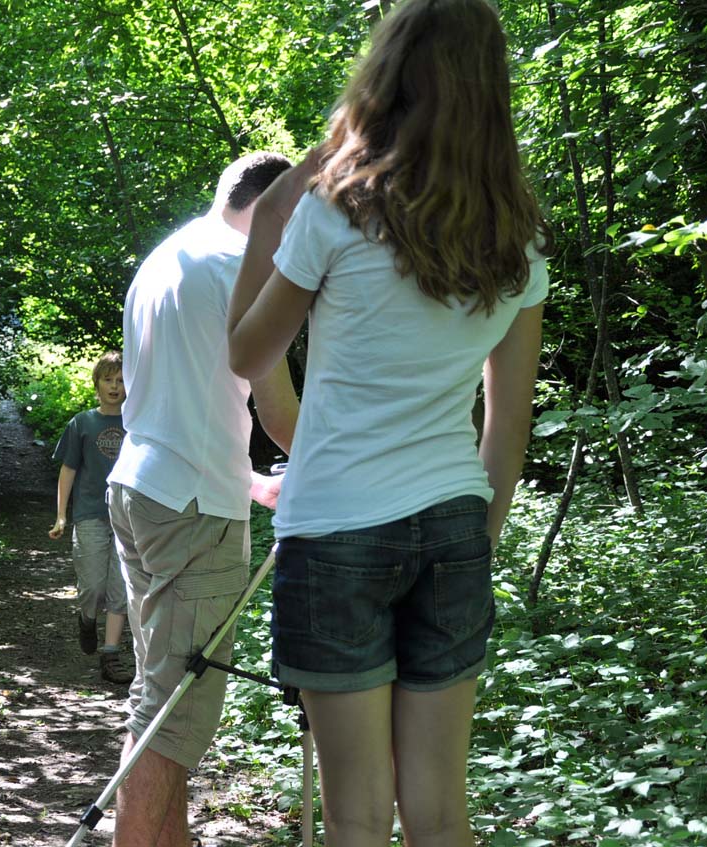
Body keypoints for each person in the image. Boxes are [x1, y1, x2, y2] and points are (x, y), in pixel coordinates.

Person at [226, 1, 552, 844]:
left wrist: (274, 214)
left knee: (358, 816)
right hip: (452, 522)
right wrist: (476, 536)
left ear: (388, 78)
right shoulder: (517, 240)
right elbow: (507, 423)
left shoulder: (336, 211)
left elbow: (246, 351)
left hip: (336, 525)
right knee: (441, 813)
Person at [107, 151, 301, 847]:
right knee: (173, 716)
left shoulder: (167, 258)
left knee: (161, 697)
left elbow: (177, 399)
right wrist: (345, 466)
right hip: (192, 511)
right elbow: (278, 412)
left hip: (140, 488)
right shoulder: (240, 269)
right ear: (276, 207)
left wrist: (248, 479)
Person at [48, 350, 134, 684]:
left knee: (121, 587)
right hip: (90, 515)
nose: (114, 386)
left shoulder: (137, 423)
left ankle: (110, 655)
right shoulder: (82, 423)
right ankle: (86, 618)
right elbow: (68, 469)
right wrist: (61, 515)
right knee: (93, 587)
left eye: (121, 380)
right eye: (108, 380)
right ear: (96, 384)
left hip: (128, 516)